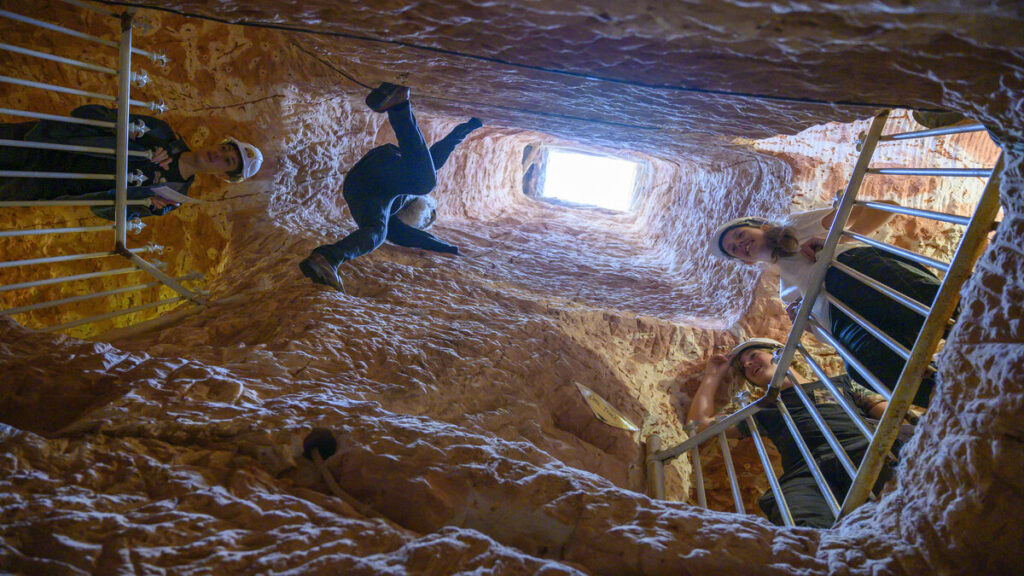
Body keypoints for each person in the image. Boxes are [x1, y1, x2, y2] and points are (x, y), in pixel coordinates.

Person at [710, 202, 945, 407]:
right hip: (847, 320)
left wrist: (836, 240)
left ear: (762, 227)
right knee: (860, 368)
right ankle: (943, 393)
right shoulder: (787, 293)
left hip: (859, 273)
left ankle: (964, 315)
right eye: (734, 249)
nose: (740, 244)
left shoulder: (794, 226)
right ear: (747, 262)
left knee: (842, 282)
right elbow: (825, 331)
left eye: (740, 235)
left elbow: (881, 206)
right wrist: (805, 323)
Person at [687, 338, 912, 528]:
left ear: (779, 353)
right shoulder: (762, 411)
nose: (748, 365)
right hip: (805, 475)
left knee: (903, 500)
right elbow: (699, 427)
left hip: (863, 449)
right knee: (797, 521)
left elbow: (893, 415)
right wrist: (712, 376)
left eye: (754, 355)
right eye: (743, 367)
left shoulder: (840, 383)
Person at [298, 83, 482, 292]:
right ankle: (399, 106)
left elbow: (418, 238)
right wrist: (470, 126)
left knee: (377, 233)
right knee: (426, 179)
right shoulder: (412, 185)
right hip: (378, 170)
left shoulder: (390, 220)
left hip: (363, 188)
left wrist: (449, 249)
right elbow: (441, 151)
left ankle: (327, 258)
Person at [0, 104, 263, 220]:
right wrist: (124, 130)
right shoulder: (161, 131)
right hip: (50, 142)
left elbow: (106, 213)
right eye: (225, 148)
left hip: (52, 186)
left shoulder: (171, 196)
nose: (219, 155)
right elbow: (90, 115)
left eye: (227, 162)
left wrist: (142, 200)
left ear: (224, 176)